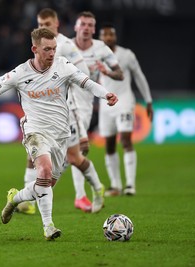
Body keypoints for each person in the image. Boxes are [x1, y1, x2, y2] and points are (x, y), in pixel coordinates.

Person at [0, 28, 118, 240]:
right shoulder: (20, 73)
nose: (52, 53)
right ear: (34, 49)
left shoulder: (63, 66)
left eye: (54, 49)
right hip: (35, 132)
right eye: (46, 49)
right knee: (43, 171)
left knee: (44, 186)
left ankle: (15, 198)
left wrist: (105, 94)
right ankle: (49, 227)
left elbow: (86, 82)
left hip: (61, 135)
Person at [16, 8, 105, 214]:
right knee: (34, 153)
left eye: (47, 24)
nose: (42, 27)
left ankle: (95, 188)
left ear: (56, 25)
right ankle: (28, 202)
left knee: (74, 158)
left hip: (69, 112)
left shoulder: (65, 47)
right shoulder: (41, 47)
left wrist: (81, 129)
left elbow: (83, 75)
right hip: (46, 114)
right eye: (39, 24)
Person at [72, 11, 124, 206]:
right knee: (64, 152)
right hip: (61, 104)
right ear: (76, 27)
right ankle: (86, 192)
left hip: (84, 106)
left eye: (90, 25)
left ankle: (82, 194)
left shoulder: (101, 49)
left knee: (75, 151)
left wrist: (107, 71)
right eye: (82, 24)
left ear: (94, 29)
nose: (86, 28)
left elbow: (120, 74)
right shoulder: (64, 47)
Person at [98, 24, 153, 196]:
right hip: (105, 105)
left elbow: (139, 76)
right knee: (109, 145)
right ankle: (115, 186)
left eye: (110, 35)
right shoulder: (96, 55)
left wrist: (148, 100)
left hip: (124, 102)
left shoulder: (126, 54)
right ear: (100, 37)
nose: (108, 38)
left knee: (126, 140)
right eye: (105, 35)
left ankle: (130, 185)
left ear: (115, 37)